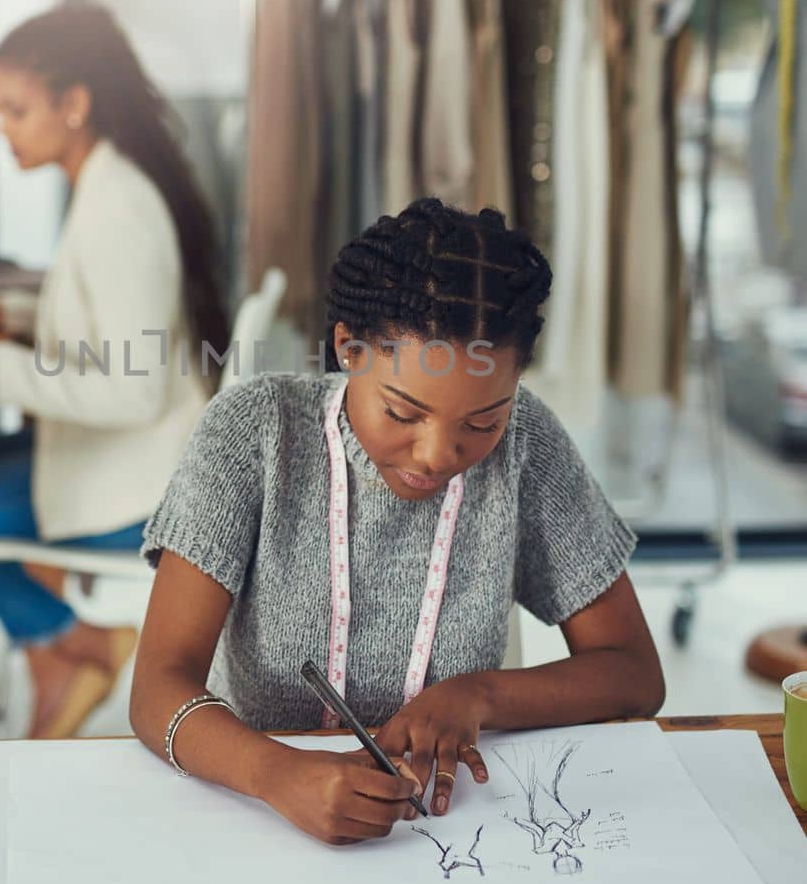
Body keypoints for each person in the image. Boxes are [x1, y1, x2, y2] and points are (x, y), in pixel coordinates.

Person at [130, 199, 665, 845]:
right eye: (403, 413)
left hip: (450, 832)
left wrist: (478, 696)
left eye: (481, 421)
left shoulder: (526, 446)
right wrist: (276, 774)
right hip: (252, 814)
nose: (439, 455)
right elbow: (157, 687)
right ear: (347, 348)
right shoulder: (252, 434)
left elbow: (634, 672)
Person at [0, 5, 228, 737]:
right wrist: (9, 323)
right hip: (111, 454)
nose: (4, 131)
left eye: (15, 111)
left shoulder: (118, 209)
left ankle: (74, 641)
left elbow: (132, 386)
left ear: (74, 105)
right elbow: (108, 324)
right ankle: (60, 647)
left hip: (133, 486)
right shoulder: (112, 182)